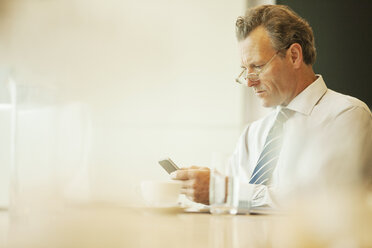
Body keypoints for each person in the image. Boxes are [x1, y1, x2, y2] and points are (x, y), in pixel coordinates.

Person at [171, 5, 372, 207]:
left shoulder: (347, 115)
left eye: (257, 67)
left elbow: (322, 204)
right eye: (245, 70)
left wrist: (227, 191)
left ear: (294, 56)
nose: (249, 82)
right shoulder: (254, 133)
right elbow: (233, 202)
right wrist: (212, 188)